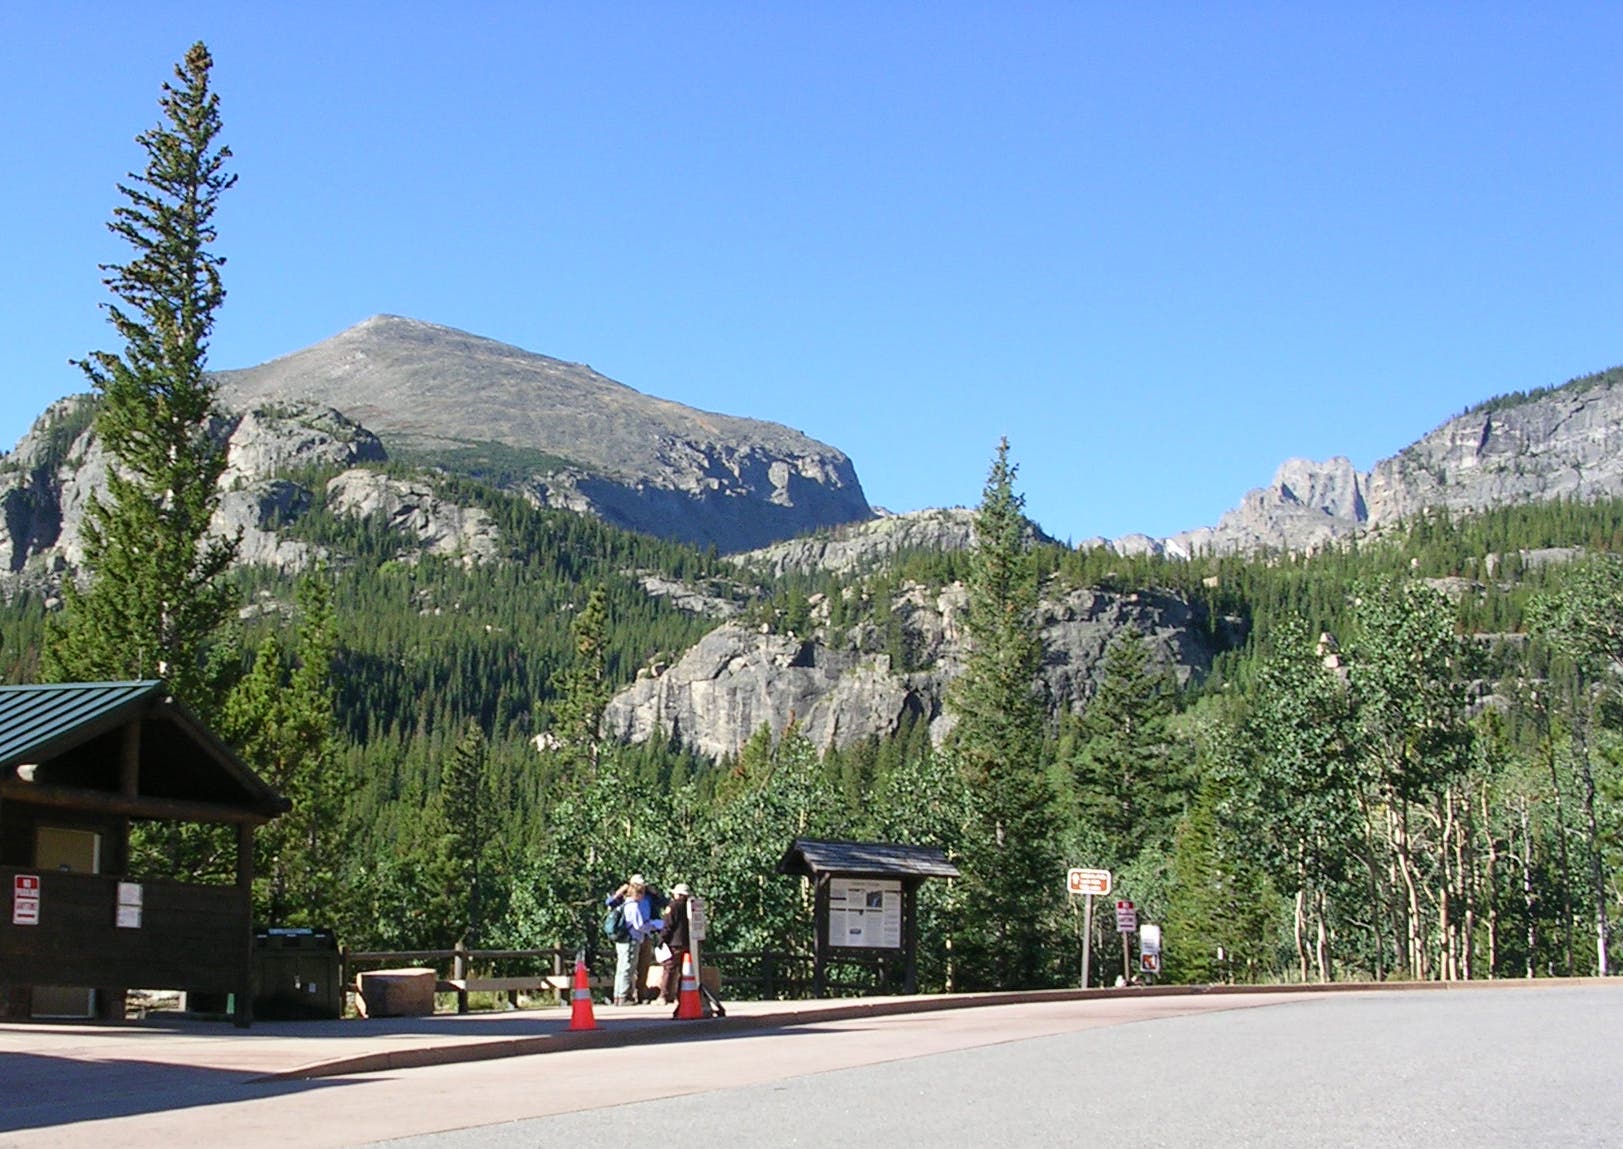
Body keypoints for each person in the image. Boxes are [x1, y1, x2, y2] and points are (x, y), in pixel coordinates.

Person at [605, 874, 663, 1006]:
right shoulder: (629, 901)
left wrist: (656, 893)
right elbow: (610, 903)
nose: (642, 889)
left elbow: (663, 902)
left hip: (643, 935)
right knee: (627, 967)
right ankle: (624, 995)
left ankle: (634, 994)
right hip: (632, 935)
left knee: (641, 966)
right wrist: (619, 892)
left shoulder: (648, 897)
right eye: (638, 887)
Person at [659, 883, 693, 1004]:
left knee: (669, 969)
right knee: (685, 971)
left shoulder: (673, 906)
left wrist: (662, 939)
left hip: (674, 942)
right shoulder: (692, 906)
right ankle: (681, 995)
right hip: (688, 942)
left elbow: (668, 924)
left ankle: (664, 995)